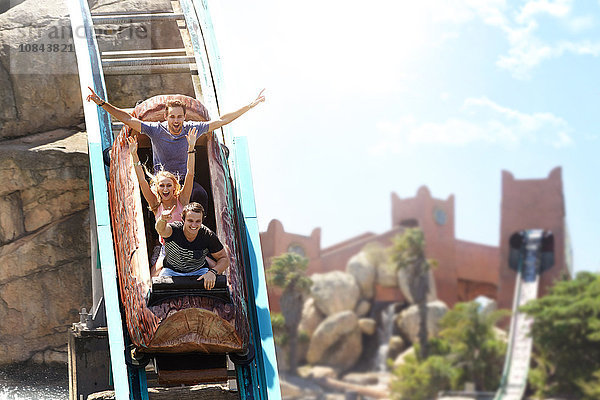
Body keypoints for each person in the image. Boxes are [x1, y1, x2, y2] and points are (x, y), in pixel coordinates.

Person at [86, 88, 266, 208]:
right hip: (162, 181)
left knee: (201, 194)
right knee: (146, 199)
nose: (176, 121)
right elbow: (128, 120)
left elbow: (221, 121)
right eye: (172, 117)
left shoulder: (191, 128)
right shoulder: (156, 130)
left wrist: (250, 106)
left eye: (179, 117)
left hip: (183, 181)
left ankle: (197, 230)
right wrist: (101, 103)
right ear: (166, 117)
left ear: (184, 117)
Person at [128, 127, 197, 275]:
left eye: (168, 186)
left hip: (186, 245)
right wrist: (134, 155)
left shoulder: (182, 200)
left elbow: (190, 174)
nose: (165, 189)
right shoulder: (155, 204)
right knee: (154, 273)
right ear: (158, 189)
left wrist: (191, 148)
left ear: (174, 188)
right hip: (167, 248)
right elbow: (142, 181)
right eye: (162, 185)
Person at [155, 202, 229, 290]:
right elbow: (160, 229)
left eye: (198, 221)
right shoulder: (174, 230)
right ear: (183, 219)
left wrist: (213, 272)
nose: (194, 225)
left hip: (199, 271)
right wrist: (162, 219)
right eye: (190, 221)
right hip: (171, 271)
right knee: (158, 289)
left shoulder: (207, 235)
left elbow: (224, 259)